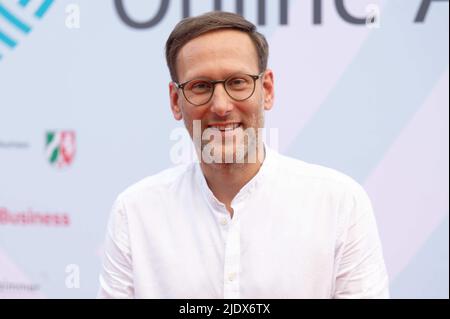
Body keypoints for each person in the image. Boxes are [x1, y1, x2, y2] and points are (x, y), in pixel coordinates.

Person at [98, 11, 389, 299]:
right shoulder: (135, 213)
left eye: (238, 82)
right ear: (176, 101)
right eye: (200, 86)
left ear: (267, 89)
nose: (221, 106)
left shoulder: (339, 204)